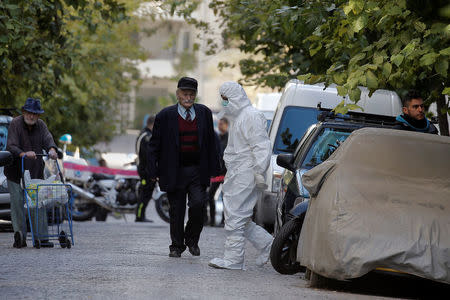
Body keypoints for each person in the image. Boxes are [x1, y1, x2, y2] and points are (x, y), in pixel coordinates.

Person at [147, 77, 220, 258]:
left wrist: (215, 169)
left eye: (191, 94)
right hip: (174, 171)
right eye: (184, 93)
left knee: (198, 205)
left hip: (197, 170)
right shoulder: (165, 116)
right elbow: (153, 145)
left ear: (195, 95)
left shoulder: (204, 113)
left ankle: (192, 239)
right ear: (178, 94)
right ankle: (176, 246)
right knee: (176, 210)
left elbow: (212, 142)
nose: (188, 97)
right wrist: (152, 171)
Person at [209, 82, 273, 270]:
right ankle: (267, 244)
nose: (225, 105)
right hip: (238, 172)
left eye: (226, 100)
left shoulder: (251, 116)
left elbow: (261, 146)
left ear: (235, 98)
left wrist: (259, 171)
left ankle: (234, 259)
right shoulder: (240, 117)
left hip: (246, 172)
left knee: (236, 216)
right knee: (240, 217)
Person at [5, 98, 58, 248]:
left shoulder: (41, 125)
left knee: (38, 203)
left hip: (34, 171)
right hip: (16, 172)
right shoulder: (15, 123)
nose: (31, 116)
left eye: (35, 114)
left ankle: (41, 237)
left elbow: (48, 139)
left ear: (38, 115)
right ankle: (20, 237)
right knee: (18, 204)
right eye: (29, 113)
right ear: (23, 112)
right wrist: (23, 154)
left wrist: (52, 149)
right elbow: (11, 145)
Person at [206, 117, 228, 226]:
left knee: (225, 197)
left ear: (226, 125)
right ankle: (212, 220)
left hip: (227, 173)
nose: (219, 126)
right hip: (217, 173)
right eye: (218, 124)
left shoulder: (229, 139)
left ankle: (224, 221)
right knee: (210, 195)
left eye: (221, 124)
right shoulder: (218, 137)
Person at [135, 115, 156, 223]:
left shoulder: (144, 134)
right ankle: (139, 216)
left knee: (146, 193)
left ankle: (141, 215)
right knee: (145, 193)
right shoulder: (147, 136)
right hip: (145, 170)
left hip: (144, 168)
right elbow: (149, 156)